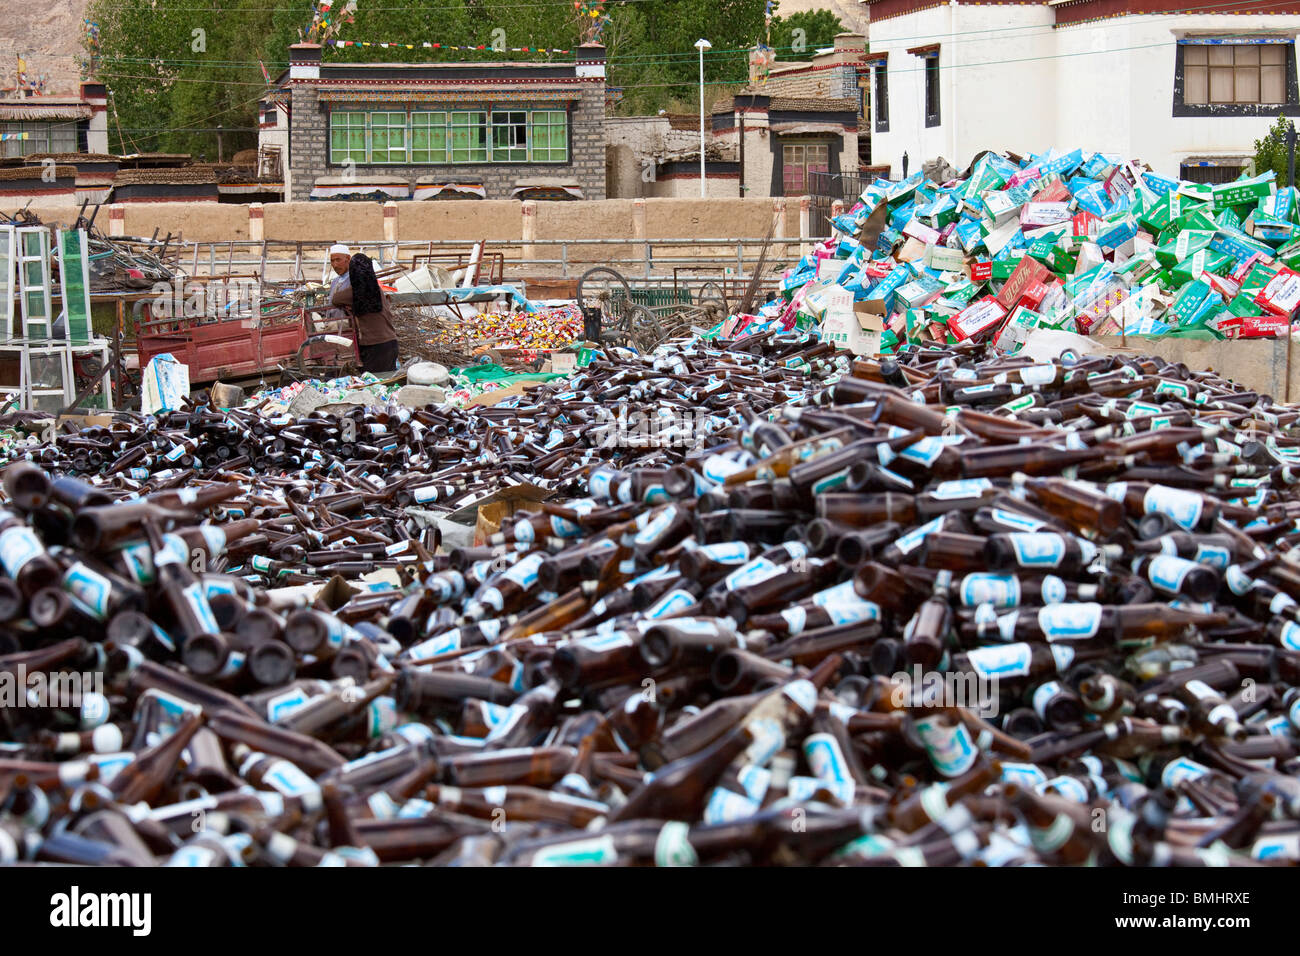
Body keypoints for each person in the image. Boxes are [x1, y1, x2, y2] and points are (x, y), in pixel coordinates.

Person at [331, 252, 399, 373]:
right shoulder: (377, 289)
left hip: (374, 347)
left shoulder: (355, 291)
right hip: (390, 342)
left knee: (372, 385)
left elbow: (335, 299)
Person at [323, 243, 351, 320]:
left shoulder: (354, 280)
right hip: (332, 325)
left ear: (348, 259)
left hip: (347, 326)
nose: (335, 265)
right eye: (332, 261)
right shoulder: (334, 282)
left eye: (338, 260)